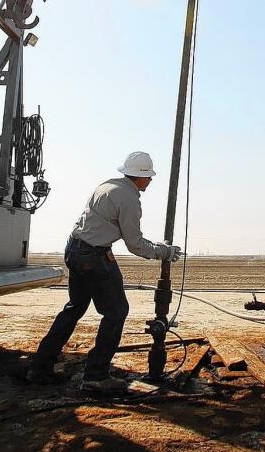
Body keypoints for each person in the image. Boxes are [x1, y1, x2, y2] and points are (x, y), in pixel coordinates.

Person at [28, 151, 182, 393]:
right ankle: (96, 376)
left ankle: (40, 367)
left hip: (75, 249)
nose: (150, 181)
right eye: (148, 177)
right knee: (116, 311)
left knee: (75, 307)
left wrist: (158, 248)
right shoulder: (130, 199)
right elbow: (135, 244)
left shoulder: (107, 185)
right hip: (94, 256)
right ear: (139, 177)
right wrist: (163, 252)